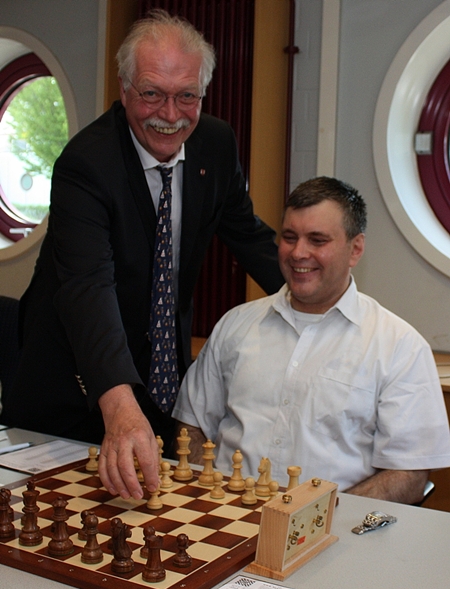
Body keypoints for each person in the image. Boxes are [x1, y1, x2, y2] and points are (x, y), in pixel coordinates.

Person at [1, 11, 284, 501]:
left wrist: (318, 288)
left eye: (187, 96)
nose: (170, 115)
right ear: (125, 88)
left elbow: (249, 236)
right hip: (72, 384)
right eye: (152, 93)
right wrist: (118, 403)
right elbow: (88, 288)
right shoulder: (86, 164)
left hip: (158, 375)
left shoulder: (215, 144)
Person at [173, 176, 450, 504]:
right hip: (225, 516)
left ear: (355, 249)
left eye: (317, 240)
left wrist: (317, 517)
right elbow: (191, 426)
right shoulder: (235, 325)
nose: (298, 253)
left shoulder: (400, 347)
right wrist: (204, 501)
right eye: (289, 237)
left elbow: (409, 474)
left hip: (335, 526)